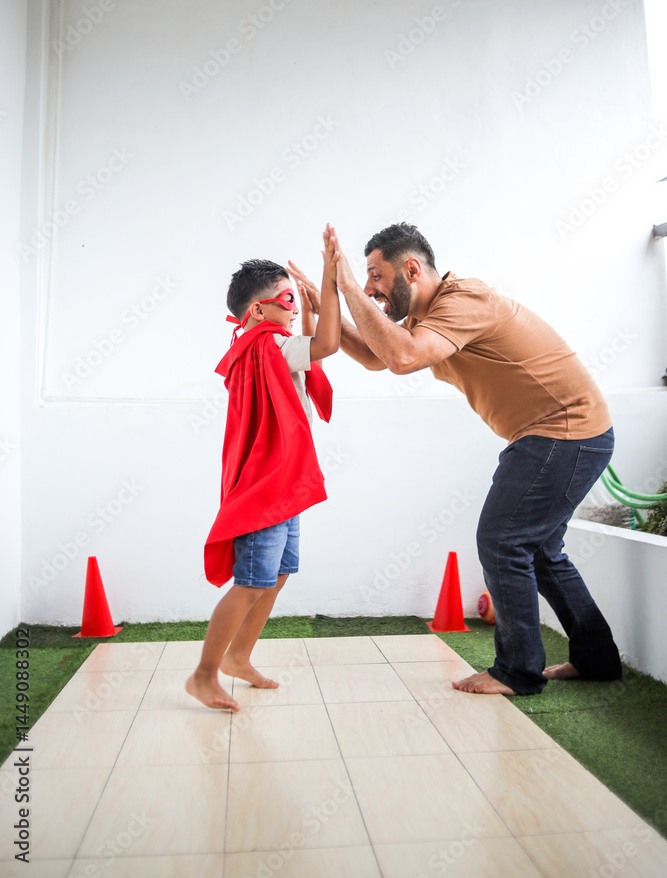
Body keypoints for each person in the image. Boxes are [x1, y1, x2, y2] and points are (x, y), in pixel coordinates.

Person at [289, 222, 622, 696]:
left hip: (566, 431)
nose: (368, 288)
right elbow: (376, 354)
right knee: (542, 553)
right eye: (363, 278)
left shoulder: (464, 301)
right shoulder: (426, 318)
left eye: (375, 277)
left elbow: (402, 357)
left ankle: (518, 671)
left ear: (411, 269)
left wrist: (343, 287)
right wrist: (328, 307)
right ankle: (597, 659)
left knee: (503, 541)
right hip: (563, 435)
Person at [186, 227, 341, 710]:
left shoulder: (264, 347)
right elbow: (328, 345)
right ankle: (203, 675)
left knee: (278, 572)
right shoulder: (269, 347)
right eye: (287, 298)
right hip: (268, 486)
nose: (294, 306)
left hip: (282, 483)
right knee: (253, 579)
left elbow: (312, 339)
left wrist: (310, 302)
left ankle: (238, 657)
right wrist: (330, 281)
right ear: (256, 310)